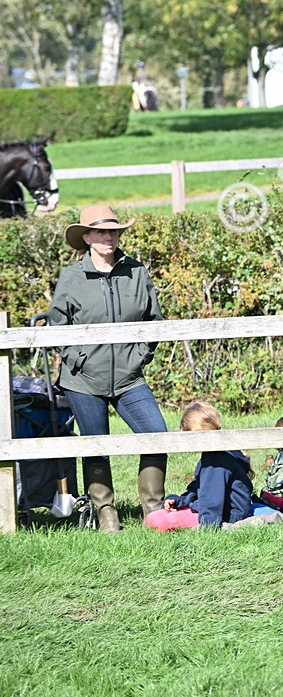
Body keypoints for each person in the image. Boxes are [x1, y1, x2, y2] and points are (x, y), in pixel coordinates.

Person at [49, 205, 168, 532]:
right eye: (101, 232)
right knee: (95, 444)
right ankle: (106, 514)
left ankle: (154, 513)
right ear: (86, 237)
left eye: (113, 231)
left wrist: (140, 356)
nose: (109, 237)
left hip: (130, 379)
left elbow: (153, 321)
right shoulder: (72, 277)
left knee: (157, 436)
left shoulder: (136, 271)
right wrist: (78, 361)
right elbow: (56, 327)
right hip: (83, 381)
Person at [144, 402, 274, 530]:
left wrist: (208, 527)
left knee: (155, 519)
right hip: (222, 510)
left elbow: (212, 499)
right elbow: (198, 488)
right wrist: (179, 501)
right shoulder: (219, 452)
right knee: (159, 516)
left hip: (228, 515)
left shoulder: (215, 460)